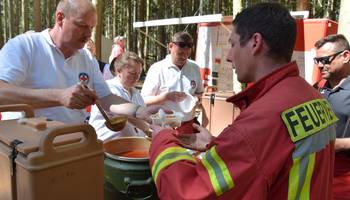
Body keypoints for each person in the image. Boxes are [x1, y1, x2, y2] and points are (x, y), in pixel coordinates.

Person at [148, 3, 337, 199]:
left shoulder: (261, 121)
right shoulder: (314, 97)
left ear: (255, 42)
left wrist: (162, 139)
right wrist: (219, 146)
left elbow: (186, 191)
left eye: (233, 44)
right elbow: (279, 158)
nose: (229, 56)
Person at [0, 0, 158, 124]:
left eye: (92, 28)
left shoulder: (87, 57)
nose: (89, 34)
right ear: (60, 18)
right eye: (82, 26)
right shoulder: (24, 46)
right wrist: (59, 96)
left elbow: (106, 98)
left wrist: (137, 110)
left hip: (74, 142)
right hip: (27, 149)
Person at [141, 31, 208, 133]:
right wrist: (165, 97)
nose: (183, 57)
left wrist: (196, 98)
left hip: (187, 124)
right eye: (180, 53)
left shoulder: (194, 67)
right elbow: (144, 100)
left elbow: (200, 93)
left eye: (187, 54)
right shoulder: (157, 68)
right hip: (163, 126)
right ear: (170, 46)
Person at [313, 34, 350, 200]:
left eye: (325, 60)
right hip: (317, 171)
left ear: (345, 56)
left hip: (344, 178)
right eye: (317, 60)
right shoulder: (317, 87)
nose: (320, 65)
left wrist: (336, 144)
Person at [89, 52, 146, 141]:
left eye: (139, 74)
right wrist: (149, 129)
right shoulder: (109, 89)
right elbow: (127, 116)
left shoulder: (136, 93)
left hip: (131, 145)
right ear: (118, 70)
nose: (136, 78)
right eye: (132, 73)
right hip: (106, 145)